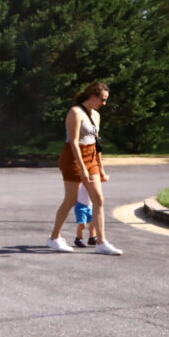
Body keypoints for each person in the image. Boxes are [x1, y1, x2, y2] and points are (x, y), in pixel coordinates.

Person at [48, 82, 122, 255]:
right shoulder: (75, 112)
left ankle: (101, 243)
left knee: (99, 199)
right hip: (73, 158)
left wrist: (100, 168)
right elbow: (73, 143)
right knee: (71, 200)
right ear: (93, 96)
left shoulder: (96, 115)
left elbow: (97, 143)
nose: (105, 103)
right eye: (103, 99)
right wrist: (82, 168)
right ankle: (54, 238)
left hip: (91, 157)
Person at [73, 183, 98, 248]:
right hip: (80, 207)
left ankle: (92, 238)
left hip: (90, 206)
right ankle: (79, 239)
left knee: (93, 223)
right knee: (82, 224)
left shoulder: (94, 182)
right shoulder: (82, 182)